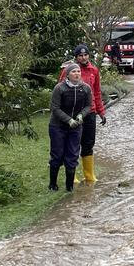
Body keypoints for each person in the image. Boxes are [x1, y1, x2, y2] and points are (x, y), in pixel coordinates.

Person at [59, 44, 105, 183]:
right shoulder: (69, 70)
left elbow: (97, 92)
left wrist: (101, 112)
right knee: (73, 143)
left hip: (90, 112)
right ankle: (72, 175)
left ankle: (89, 174)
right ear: (76, 57)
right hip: (74, 112)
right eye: (80, 55)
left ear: (88, 56)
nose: (83, 58)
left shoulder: (94, 70)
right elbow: (61, 90)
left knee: (88, 143)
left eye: (85, 55)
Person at [48, 62, 91, 192]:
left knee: (72, 155)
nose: (77, 74)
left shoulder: (85, 88)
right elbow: (54, 108)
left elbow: (88, 106)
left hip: (76, 127)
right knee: (57, 155)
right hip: (58, 126)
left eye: (78, 71)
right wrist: (68, 120)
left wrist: (81, 116)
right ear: (67, 75)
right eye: (73, 72)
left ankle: (69, 187)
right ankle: (52, 185)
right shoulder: (60, 88)